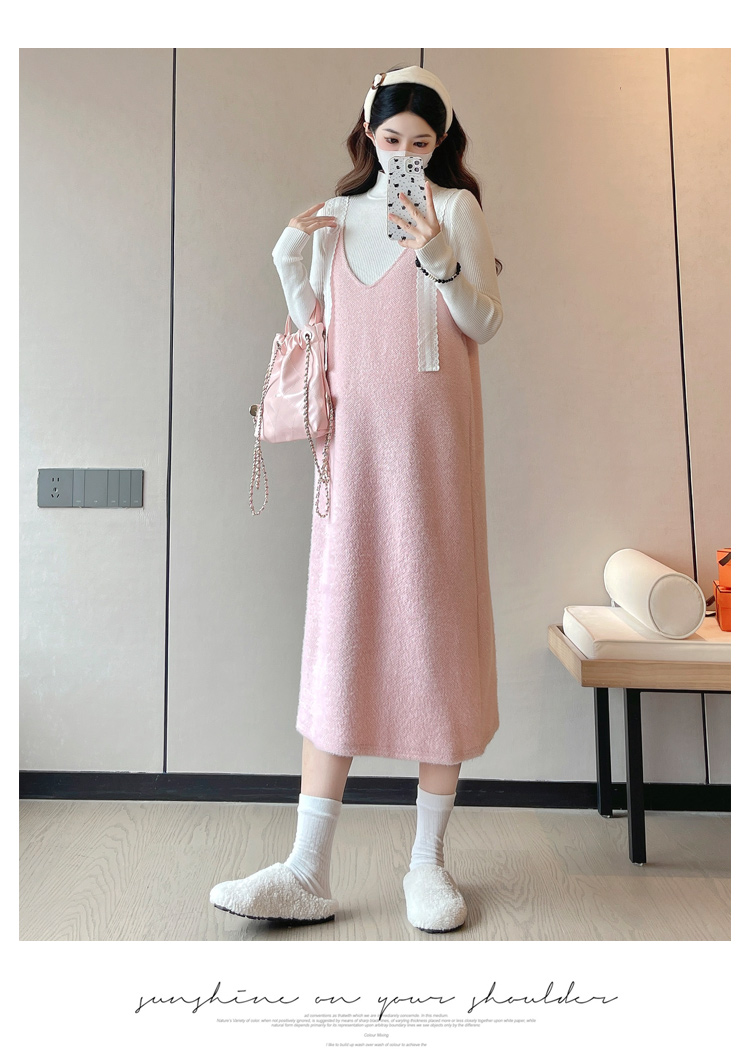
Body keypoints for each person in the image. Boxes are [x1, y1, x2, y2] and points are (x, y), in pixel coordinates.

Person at [210, 64, 503, 934]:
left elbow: (484, 322)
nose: (405, 153)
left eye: (422, 142)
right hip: (351, 454)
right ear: (368, 133)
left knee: (436, 633)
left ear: (440, 143)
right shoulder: (335, 216)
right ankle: (307, 867)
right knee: (341, 630)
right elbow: (317, 332)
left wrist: (439, 255)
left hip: (434, 455)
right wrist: (287, 261)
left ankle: (427, 862)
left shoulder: (454, 208)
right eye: (392, 138)